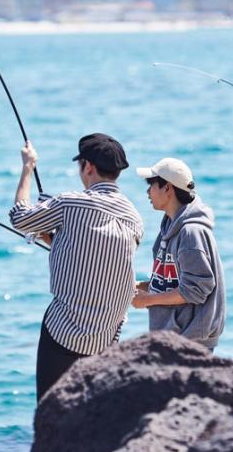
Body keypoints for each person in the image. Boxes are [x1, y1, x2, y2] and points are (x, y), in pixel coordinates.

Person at [9, 133, 144, 401]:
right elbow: (97, 256)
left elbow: (20, 218)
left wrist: (27, 167)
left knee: (50, 411)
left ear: (89, 167)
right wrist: (56, 239)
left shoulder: (71, 202)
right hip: (105, 340)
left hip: (63, 335)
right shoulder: (134, 218)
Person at [131, 157, 226, 351]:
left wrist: (147, 300)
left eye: (151, 185)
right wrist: (138, 286)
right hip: (173, 337)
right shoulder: (169, 227)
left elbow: (195, 290)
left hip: (190, 341)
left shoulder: (190, 232)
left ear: (168, 188)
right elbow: (171, 282)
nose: (148, 191)